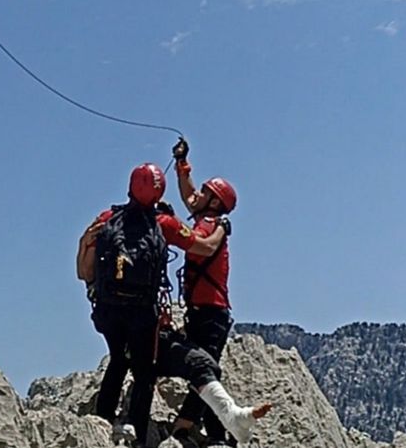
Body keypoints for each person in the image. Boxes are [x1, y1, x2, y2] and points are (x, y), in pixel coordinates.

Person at [76, 163, 230, 447]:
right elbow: (203, 246)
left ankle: (101, 423)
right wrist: (220, 228)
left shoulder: (107, 218)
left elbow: (83, 272)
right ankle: (137, 434)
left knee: (118, 360)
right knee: (144, 370)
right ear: (160, 193)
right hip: (143, 314)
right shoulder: (165, 224)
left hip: (107, 312)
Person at [170, 140, 241, 447]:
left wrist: (168, 227)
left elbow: (203, 245)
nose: (197, 195)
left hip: (210, 313)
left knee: (205, 371)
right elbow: (188, 195)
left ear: (214, 203)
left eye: (205, 193)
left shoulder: (210, 225)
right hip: (205, 312)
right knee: (206, 370)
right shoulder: (207, 219)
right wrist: (182, 164)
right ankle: (218, 435)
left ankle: (185, 426)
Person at [155, 329, 272, 446]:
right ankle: (222, 425)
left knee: (209, 367)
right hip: (147, 337)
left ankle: (220, 426)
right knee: (204, 366)